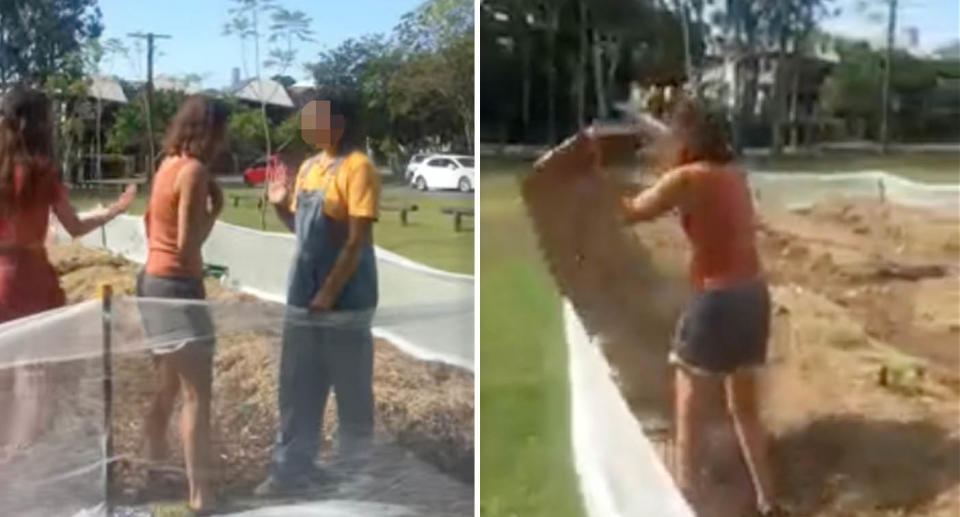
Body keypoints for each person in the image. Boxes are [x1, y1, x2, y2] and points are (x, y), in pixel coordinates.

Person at [620, 100, 785, 517]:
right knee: (745, 409)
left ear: (686, 139)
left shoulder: (686, 177)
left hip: (716, 299)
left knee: (687, 412)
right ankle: (768, 499)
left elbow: (633, 212)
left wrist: (601, 186)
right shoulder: (734, 175)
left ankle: (684, 499)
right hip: (753, 296)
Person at [256, 87, 380, 495]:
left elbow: (356, 241)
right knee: (297, 385)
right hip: (302, 295)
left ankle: (355, 477)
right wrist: (278, 205)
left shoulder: (358, 167)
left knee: (350, 390)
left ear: (338, 122)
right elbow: (303, 233)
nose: (308, 126)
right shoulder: (309, 167)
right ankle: (291, 470)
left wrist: (328, 293)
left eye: (316, 118)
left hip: (344, 301)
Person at [0, 85, 136, 448]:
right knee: (33, 370)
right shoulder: (42, 173)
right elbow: (74, 227)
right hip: (27, 276)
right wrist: (112, 211)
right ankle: (20, 456)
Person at [138, 95, 227, 514]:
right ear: (208, 132)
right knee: (197, 394)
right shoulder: (192, 171)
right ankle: (200, 494)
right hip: (178, 286)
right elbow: (189, 245)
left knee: (168, 384)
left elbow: (146, 223)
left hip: (151, 281)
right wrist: (216, 211)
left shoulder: (166, 166)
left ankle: (153, 467)